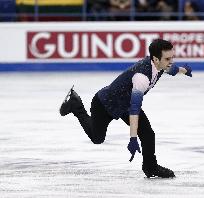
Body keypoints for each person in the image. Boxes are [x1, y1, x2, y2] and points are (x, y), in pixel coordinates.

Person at [59, 39, 192, 178]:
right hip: (105, 103)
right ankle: (76, 105)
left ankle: (150, 167)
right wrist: (133, 138)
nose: (171, 61)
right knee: (97, 138)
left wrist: (184, 70)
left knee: (147, 133)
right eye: (168, 58)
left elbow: (171, 69)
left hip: (124, 105)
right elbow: (134, 110)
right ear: (156, 59)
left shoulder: (160, 65)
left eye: (172, 57)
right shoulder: (142, 78)